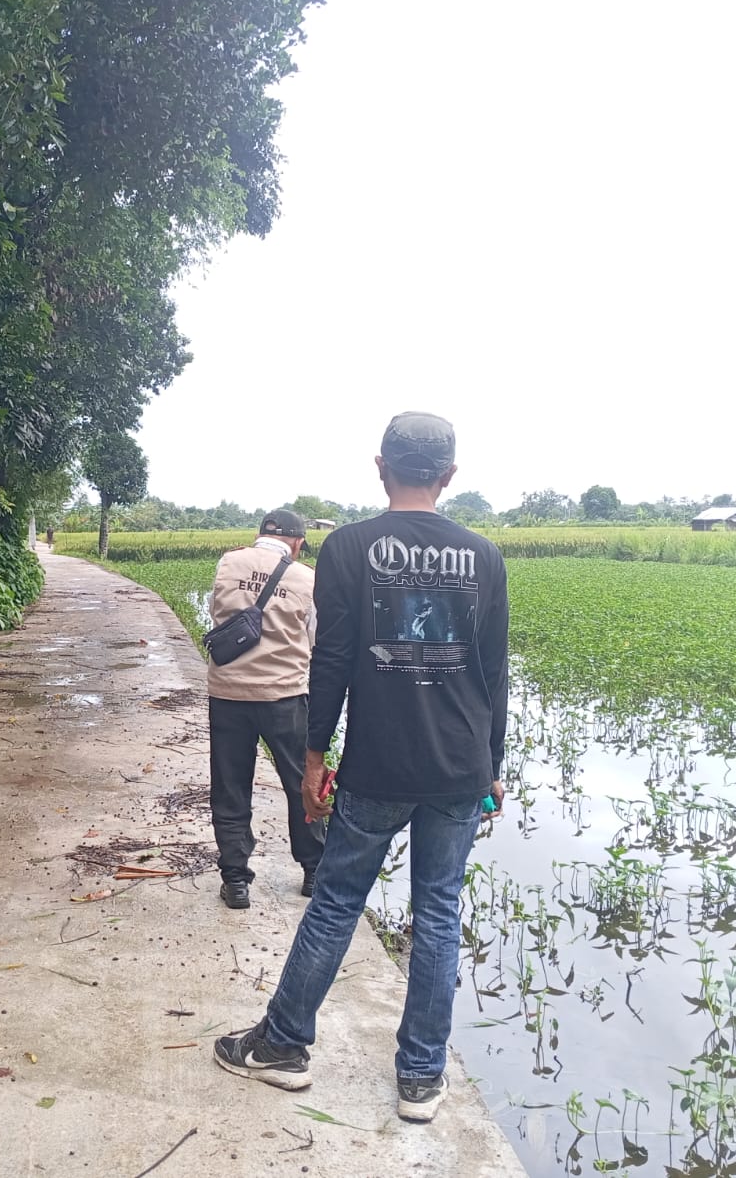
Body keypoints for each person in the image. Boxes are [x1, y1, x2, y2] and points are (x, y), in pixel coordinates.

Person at [213, 412, 509, 1125]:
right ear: (449, 475)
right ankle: (420, 1079)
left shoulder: (348, 548)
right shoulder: (484, 555)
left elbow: (334, 663)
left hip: (378, 765)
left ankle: (282, 1044)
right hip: (460, 767)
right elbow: (491, 672)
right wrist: (491, 765)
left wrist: (315, 758)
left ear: (381, 467)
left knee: (339, 901)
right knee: (439, 912)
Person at [205, 508, 323, 909]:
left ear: (259, 535)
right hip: (285, 697)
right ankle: (313, 871)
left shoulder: (228, 562)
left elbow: (216, 612)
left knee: (231, 785)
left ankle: (235, 880)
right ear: (297, 542)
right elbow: (315, 637)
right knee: (299, 783)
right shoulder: (307, 578)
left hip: (228, 695)